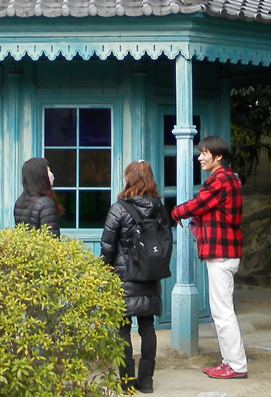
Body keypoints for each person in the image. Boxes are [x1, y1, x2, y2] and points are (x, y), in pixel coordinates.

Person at [171, 136, 248, 380]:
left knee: (223, 312)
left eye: (205, 153)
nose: (200, 158)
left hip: (220, 253)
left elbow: (197, 204)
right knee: (222, 310)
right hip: (226, 252)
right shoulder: (229, 178)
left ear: (218, 156)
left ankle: (236, 365)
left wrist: (175, 212)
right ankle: (230, 361)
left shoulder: (220, 180)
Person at [100, 160, 169, 394]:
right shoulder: (159, 208)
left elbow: (108, 245)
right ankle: (146, 381)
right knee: (148, 328)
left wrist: (104, 269)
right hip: (150, 274)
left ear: (129, 178)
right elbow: (165, 241)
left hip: (123, 276)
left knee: (123, 329)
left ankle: (126, 381)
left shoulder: (119, 208)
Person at [13, 157, 61, 237]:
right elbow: (51, 237)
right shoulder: (46, 203)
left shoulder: (20, 201)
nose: (51, 174)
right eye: (48, 171)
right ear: (40, 175)